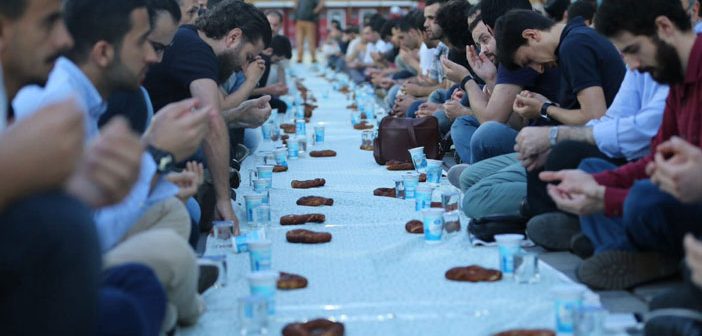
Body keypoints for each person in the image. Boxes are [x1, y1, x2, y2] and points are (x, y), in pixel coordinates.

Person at [13, 0, 213, 330]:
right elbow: (81, 232)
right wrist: (156, 154)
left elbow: (88, 206)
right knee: (165, 260)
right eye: (144, 44)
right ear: (104, 52)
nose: (153, 58)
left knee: (173, 211)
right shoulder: (56, 100)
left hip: (74, 249)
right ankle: (181, 301)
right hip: (50, 273)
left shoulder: (84, 96)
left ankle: (174, 301)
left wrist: (152, 166)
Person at [540, 0, 702, 290]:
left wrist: (606, 196)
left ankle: (630, 249)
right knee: (589, 168)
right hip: (675, 197)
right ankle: (648, 256)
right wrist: (594, 183)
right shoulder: (678, 78)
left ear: (664, 28)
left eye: (633, 51)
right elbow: (655, 160)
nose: (634, 66)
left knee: (643, 199)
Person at [144, 0, 273, 235]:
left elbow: (212, 111)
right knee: (192, 215)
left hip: (164, 153)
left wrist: (241, 115)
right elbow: (213, 121)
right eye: (248, 56)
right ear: (233, 37)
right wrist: (224, 201)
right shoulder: (195, 49)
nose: (245, 65)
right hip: (155, 159)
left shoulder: (193, 39)